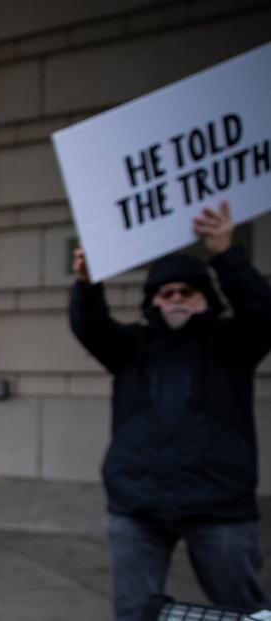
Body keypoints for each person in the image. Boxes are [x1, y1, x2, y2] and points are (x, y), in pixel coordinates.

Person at [69, 201, 271, 620]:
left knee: (246, 612)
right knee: (135, 613)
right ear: (154, 303)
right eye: (167, 292)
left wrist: (225, 255)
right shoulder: (131, 348)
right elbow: (90, 326)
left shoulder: (232, 344)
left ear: (205, 298)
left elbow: (263, 313)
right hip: (137, 507)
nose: (177, 298)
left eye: (187, 291)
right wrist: (87, 283)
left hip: (219, 507)